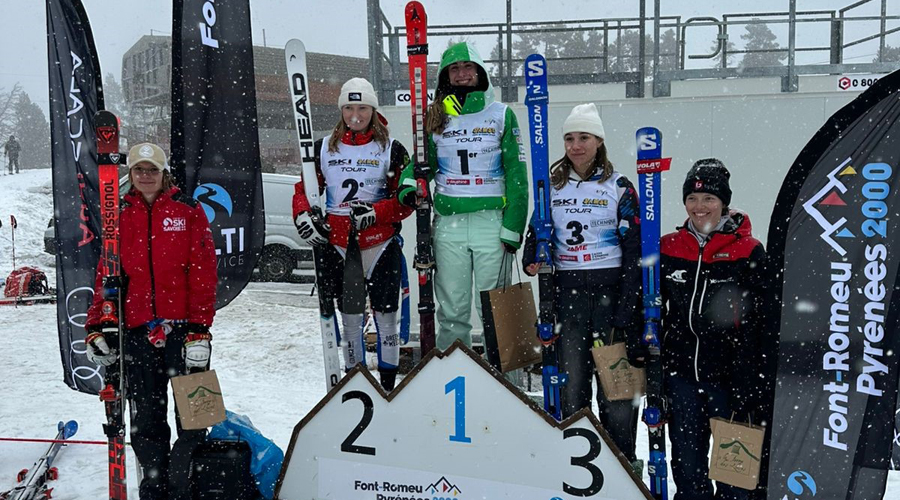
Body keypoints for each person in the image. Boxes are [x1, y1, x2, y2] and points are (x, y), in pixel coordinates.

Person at [84, 142, 218, 500]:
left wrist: (200, 328)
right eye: (139, 170)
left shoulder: (188, 210)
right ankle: (155, 488)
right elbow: (105, 275)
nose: (145, 176)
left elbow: (204, 271)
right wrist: (96, 325)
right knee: (146, 422)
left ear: (164, 173)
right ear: (130, 174)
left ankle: (185, 485)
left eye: (152, 169)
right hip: (138, 331)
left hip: (186, 332)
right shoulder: (118, 215)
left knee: (199, 414)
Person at [522, 103, 643, 471]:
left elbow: (634, 248)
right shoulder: (552, 186)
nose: (576, 146)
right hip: (568, 295)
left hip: (609, 294)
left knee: (616, 390)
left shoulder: (618, 186)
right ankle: (578, 462)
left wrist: (628, 305)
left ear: (599, 141)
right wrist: (532, 255)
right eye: (570, 138)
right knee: (572, 384)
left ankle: (622, 464)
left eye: (584, 138)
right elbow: (536, 232)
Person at [397, 41, 528, 351]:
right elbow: (422, 162)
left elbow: (517, 174)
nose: (462, 73)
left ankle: (505, 375)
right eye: (453, 69)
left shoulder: (501, 114)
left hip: (491, 223)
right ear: (445, 76)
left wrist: (513, 226)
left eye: (468, 66)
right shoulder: (436, 115)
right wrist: (408, 184)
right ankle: (454, 371)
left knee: (497, 309)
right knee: (452, 310)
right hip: (448, 223)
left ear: (480, 71)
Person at [292, 77, 412, 392]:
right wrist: (303, 214)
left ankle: (388, 387)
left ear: (373, 111)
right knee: (351, 321)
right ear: (341, 110)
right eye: (348, 108)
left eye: (362, 108)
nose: (355, 116)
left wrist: (378, 212)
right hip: (340, 245)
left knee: (387, 320)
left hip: (379, 243)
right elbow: (303, 189)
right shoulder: (322, 147)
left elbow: (406, 200)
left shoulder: (391, 148)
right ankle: (355, 385)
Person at [660, 159, 767, 500]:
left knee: (734, 473)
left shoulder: (748, 250)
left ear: (723, 202)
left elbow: (761, 321)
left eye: (709, 198)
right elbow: (650, 305)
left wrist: (749, 374)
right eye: (692, 198)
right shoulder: (669, 246)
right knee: (687, 468)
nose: (699, 206)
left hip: (729, 379)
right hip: (682, 376)